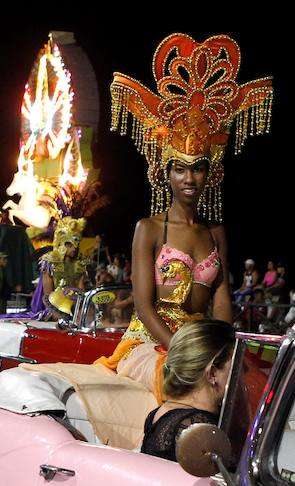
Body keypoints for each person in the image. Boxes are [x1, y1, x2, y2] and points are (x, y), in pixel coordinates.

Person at [98, 32, 272, 398]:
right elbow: (144, 307)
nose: (189, 178)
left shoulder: (217, 232)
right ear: (166, 172)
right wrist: (186, 351)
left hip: (202, 341)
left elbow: (222, 298)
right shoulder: (148, 229)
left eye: (198, 168)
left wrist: (220, 345)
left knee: (253, 385)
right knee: (184, 385)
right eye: (180, 168)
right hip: (152, 343)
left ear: (212, 173)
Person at [140, 319, 236, 462]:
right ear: (213, 373)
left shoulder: (163, 412)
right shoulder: (197, 427)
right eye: (236, 364)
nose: (242, 372)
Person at [39, 217, 89, 320]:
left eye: (77, 245)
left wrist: (82, 310)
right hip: (54, 307)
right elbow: (47, 296)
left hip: (74, 307)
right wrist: (58, 312)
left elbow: (81, 292)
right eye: (70, 244)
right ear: (62, 243)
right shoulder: (50, 262)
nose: (74, 248)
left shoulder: (80, 264)